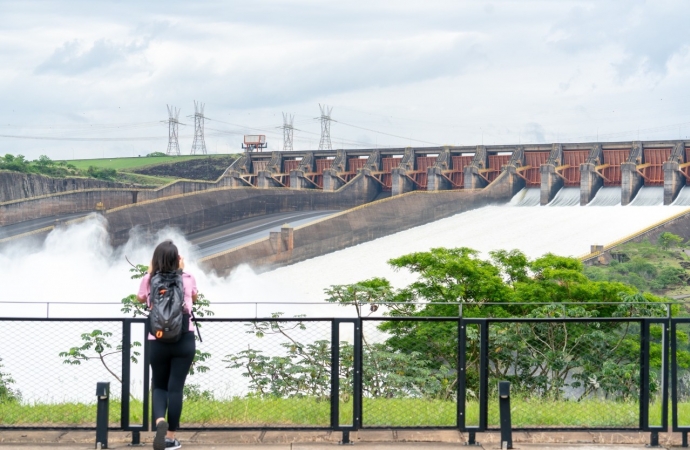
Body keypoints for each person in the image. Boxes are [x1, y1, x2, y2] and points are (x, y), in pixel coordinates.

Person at [137, 240, 198, 450]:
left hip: (157, 340)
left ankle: (159, 422)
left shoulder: (149, 279)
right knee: (176, 389)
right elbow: (195, 298)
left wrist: (151, 271)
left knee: (159, 386)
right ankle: (170, 438)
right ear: (177, 259)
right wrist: (181, 271)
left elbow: (140, 298)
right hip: (184, 339)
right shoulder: (187, 278)